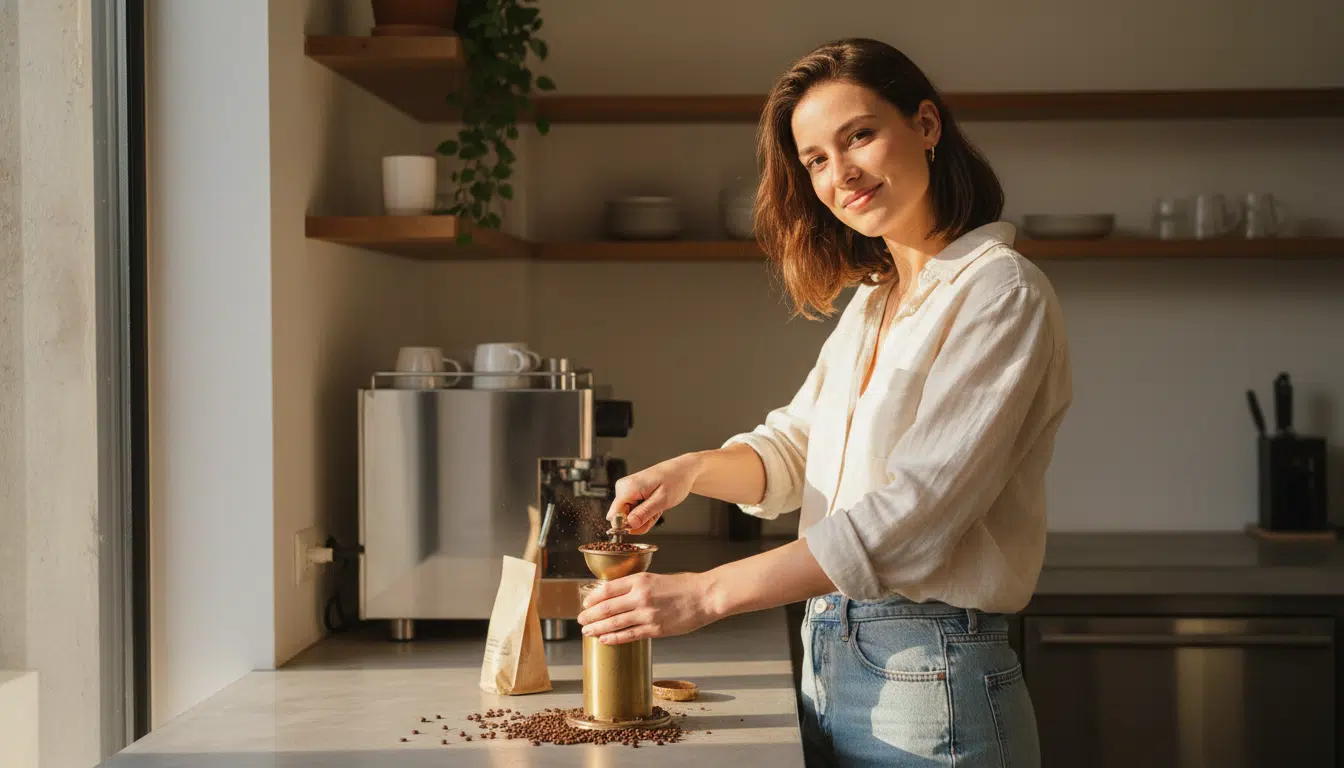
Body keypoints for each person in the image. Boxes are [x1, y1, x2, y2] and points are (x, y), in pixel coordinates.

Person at [576, 37, 1072, 768]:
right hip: (830, 658)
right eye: (814, 160)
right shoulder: (875, 303)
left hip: (931, 677)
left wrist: (707, 595)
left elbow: (916, 514)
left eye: (859, 136)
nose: (841, 174)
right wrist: (689, 470)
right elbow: (795, 447)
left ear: (927, 126)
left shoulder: (1000, 292)